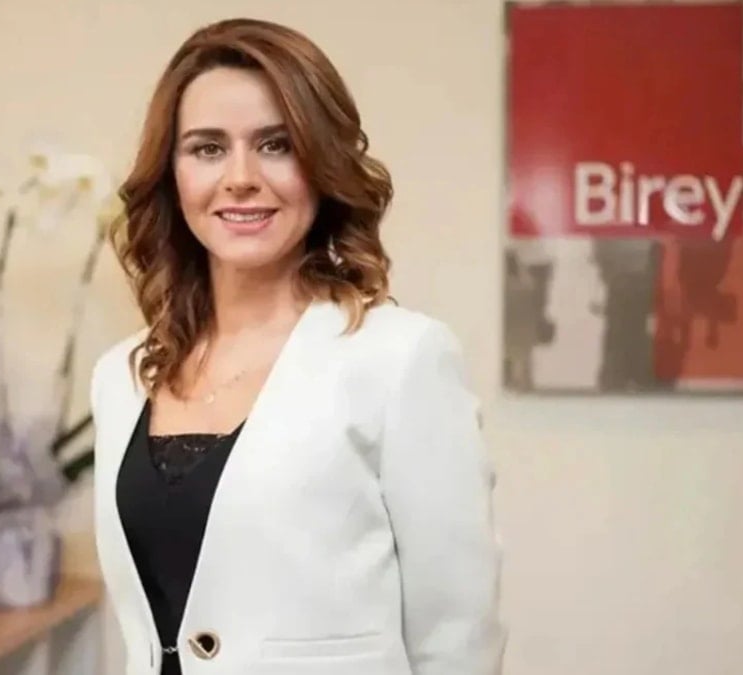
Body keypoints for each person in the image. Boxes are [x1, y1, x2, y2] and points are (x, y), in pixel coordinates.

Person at [89, 17, 503, 675]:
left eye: (276, 145)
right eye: (207, 148)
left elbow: (456, 636)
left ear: (321, 165)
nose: (241, 177)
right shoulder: (120, 376)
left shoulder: (401, 359)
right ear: (171, 175)